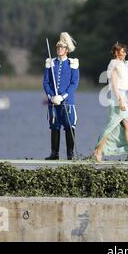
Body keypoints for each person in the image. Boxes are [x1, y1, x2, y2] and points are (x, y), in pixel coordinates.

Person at [43, 32, 79, 160]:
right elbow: (46, 82)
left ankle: (70, 154)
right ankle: (54, 153)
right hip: (53, 101)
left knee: (69, 126)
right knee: (54, 126)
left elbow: (74, 83)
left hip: (67, 101)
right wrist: (51, 96)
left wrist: (62, 97)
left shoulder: (72, 63)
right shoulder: (51, 63)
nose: (59, 49)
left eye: (62, 48)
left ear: (67, 50)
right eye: (58, 47)